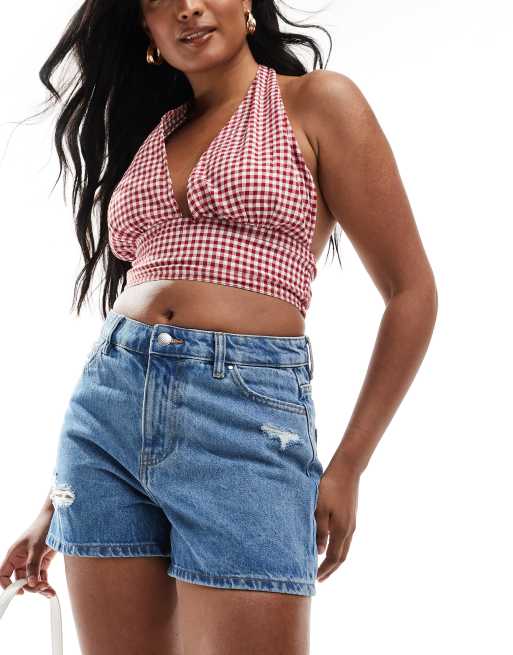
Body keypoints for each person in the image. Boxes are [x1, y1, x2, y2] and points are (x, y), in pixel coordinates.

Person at [0, 1, 438, 654]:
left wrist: (348, 465)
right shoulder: (159, 131)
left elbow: (412, 294)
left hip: (245, 418)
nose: (187, 8)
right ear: (145, 29)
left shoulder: (317, 103)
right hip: (105, 415)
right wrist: (52, 505)